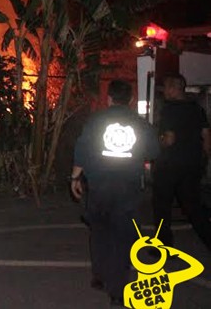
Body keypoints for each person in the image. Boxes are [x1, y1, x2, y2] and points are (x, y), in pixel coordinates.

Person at [70, 80, 159, 306]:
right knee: (122, 237)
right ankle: (118, 291)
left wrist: (75, 178)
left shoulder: (95, 121)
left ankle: (99, 277)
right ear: (130, 99)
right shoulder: (140, 124)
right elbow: (153, 151)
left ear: (109, 98)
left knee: (99, 232)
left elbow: (82, 150)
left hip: (99, 186)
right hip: (127, 189)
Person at [152, 74, 211, 251]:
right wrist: (204, 159)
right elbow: (206, 136)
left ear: (174, 88)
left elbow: (169, 139)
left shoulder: (170, 110)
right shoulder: (196, 109)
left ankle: (164, 246)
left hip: (170, 164)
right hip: (192, 163)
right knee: (193, 206)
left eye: (167, 87)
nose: (165, 92)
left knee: (162, 205)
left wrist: (158, 144)